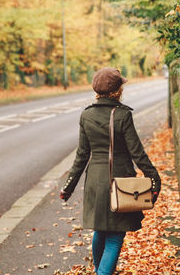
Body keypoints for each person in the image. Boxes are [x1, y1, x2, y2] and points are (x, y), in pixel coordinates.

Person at [59, 67, 161, 275]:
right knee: (114, 237)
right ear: (118, 90)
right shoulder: (122, 115)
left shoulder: (86, 115)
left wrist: (68, 187)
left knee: (100, 229)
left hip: (95, 181)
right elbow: (137, 152)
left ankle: (99, 270)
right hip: (120, 181)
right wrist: (153, 178)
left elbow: (82, 155)